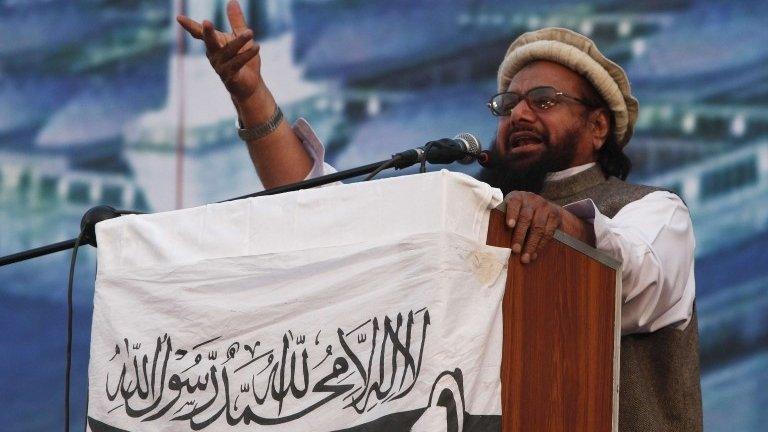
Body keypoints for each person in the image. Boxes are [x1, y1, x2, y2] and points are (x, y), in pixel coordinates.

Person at [178, 2, 702, 430]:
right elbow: (325, 205)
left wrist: (559, 223)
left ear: (596, 126)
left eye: (544, 100)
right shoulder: (468, 214)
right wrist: (250, 96)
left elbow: (636, 270)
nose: (519, 113)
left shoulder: (651, 211)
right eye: (509, 103)